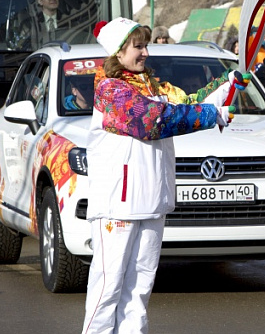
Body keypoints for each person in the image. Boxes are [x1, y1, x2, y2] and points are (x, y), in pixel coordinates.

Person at [82, 17, 241, 333]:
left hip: (153, 200)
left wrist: (230, 83)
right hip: (119, 204)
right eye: (137, 47)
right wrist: (212, 116)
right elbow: (152, 121)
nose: (145, 53)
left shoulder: (154, 86)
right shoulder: (110, 90)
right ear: (117, 52)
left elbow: (192, 102)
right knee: (108, 289)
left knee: (138, 291)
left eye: (145, 45)